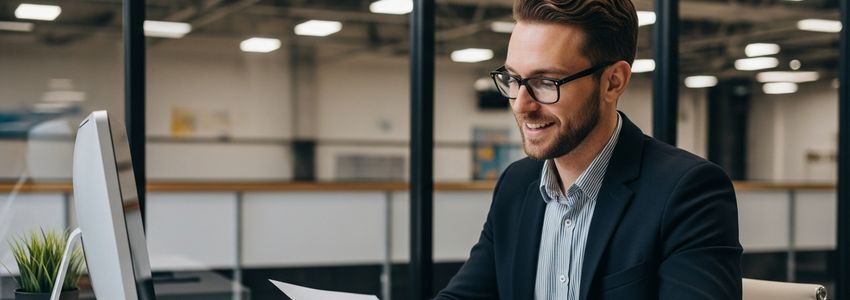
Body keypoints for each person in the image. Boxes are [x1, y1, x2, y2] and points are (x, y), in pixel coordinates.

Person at [434, 0, 742, 299]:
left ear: (612, 82)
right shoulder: (516, 184)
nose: (521, 104)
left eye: (545, 82)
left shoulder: (688, 192)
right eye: (513, 79)